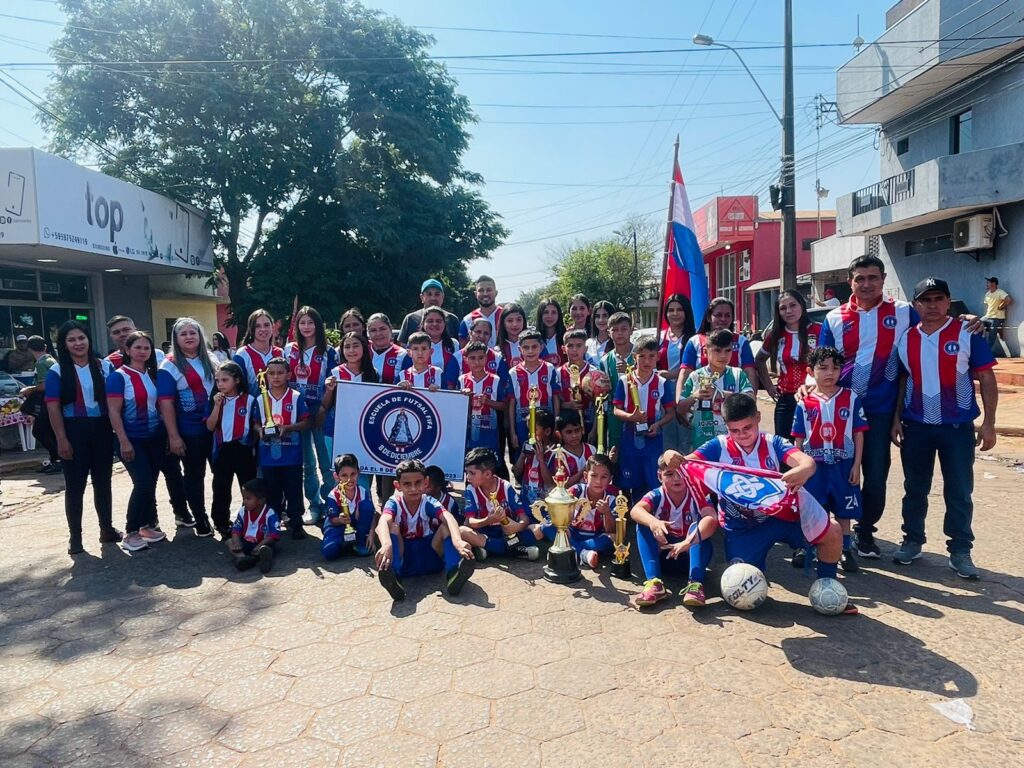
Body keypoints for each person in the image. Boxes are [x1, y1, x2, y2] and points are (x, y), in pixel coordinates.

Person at [683, 393, 852, 613]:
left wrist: (804, 470)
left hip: (780, 517)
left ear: (758, 417)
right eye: (735, 430)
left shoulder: (773, 442)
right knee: (741, 589)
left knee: (833, 531)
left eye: (748, 427)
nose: (742, 435)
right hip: (741, 528)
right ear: (726, 427)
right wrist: (670, 455)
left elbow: (806, 462)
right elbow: (687, 463)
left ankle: (829, 588)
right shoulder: (717, 446)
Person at [891, 278, 998, 580]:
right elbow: (901, 379)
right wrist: (897, 416)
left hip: (957, 428)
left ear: (949, 301)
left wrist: (989, 423)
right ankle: (912, 541)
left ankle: (960, 550)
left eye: (938, 298)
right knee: (915, 489)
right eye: (925, 300)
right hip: (916, 426)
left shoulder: (966, 332)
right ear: (916, 305)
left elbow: (987, 378)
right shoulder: (906, 338)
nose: (932, 305)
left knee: (960, 491)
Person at [818, 255, 918, 560]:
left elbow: (930, 331)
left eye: (872, 278)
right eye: (859, 278)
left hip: (879, 410)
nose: (866, 284)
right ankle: (830, 532)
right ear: (850, 281)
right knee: (835, 472)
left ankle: (865, 531)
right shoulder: (835, 317)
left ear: (883, 279)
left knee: (875, 475)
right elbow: (821, 362)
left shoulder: (903, 313)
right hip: (839, 411)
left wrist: (968, 321)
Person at [44, 320, 119, 554]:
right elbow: (53, 408)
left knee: (103, 482)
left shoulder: (104, 367)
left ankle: (106, 529)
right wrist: (61, 439)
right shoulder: (57, 371)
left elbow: (115, 401)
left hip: (102, 429)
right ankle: (75, 537)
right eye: (71, 340)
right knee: (75, 486)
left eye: (81, 338)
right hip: (74, 430)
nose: (78, 343)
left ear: (88, 339)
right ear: (64, 345)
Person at [791, 346, 867, 572]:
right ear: (810, 371)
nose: (829, 373)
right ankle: (811, 548)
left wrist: (856, 465)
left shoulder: (850, 397)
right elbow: (798, 437)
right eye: (822, 368)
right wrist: (799, 467)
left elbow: (858, 433)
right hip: (815, 466)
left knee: (844, 509)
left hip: (843, 466)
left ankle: (844, 549)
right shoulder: (805, 402)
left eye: (835, 368)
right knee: (815, 508)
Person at [374, 459, 475, 601]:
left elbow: (448, 516)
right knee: (392, 528)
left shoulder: (428, 501)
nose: (413, 489)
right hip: (405, 557)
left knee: (445, 526)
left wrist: (458, 541)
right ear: (398, 485)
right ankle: (394, 578)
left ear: (426, 482)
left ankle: (454, 573)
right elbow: (383, 521)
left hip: (429, 555)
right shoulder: (394, 502)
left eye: (418, 483)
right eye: (407, 484)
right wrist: (386, 544)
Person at [630, 452, 717, 609]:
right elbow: (635, 510)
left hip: (691, 556)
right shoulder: (657, 495)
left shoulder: (698, 494)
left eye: (681, 473)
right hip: (665, 556)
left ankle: (695, 585)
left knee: (697, 527)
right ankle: (654, 583)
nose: (677, 479)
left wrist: (687, 542)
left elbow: (712, 520)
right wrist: (654, 522)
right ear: (659, 476)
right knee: (643, 523)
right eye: (669, 474)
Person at [158, 317, 218, 537]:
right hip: (190, 430)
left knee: (220, 474)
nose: (189, 337)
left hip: (216, 427)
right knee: (195, 475)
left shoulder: (210, 358)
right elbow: (165, 404)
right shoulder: (169, 365)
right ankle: (201, 519)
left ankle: (220, 518)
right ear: (176, 338)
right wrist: (174, 436)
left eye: (193, 332)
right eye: (183, 334)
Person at [107, 331, 167, 552]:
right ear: (127, 350)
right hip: (131, 440)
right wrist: (123, 441)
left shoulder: (152, 374)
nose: (142, 352)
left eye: (146, 348)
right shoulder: (119, 376)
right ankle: (131, 532)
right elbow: (113, 411)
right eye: (138, 347)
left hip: (153, 438)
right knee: (142, 483)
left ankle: (145, 526)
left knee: (150, 482)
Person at [284, 306, 338, 526]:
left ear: (318, 324)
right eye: (302, 322)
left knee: (327, 462)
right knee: (307, 462)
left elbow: (334, 384)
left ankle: (331, 503)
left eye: (310, 322)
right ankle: (314, 505)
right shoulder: (288, 350)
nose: (306, 327)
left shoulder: (329, 351)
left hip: (321, 412)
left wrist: (324, 409)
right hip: (298, 413)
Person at [612, 335, 677, 501]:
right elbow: (616, 410)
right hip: (629, 439)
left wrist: (658, 424)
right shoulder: (624, 380)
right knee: (629, 482)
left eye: (651, 356)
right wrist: (631, 417)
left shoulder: (662, 383)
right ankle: (629, 519)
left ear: (657, 357)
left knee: (652, 481)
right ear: (635, 357)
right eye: (642, 356)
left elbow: (670, 412)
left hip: (653, 440)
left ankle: (651, 513)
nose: (646, 361)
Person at [254, 356, 311, 540]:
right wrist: (260, 431)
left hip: (292, 453)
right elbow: (255, 422)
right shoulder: (260, 398)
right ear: (265, 376)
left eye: (280, 373)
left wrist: (288, 428)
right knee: (272, 490)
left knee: (293, 488)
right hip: (268, 454)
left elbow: (306, 422)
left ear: (288, 374)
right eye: (271, 373)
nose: (276, 377)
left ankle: (296, 523)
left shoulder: (295, 397)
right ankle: (274, 523)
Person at [532, 453, 617, 569]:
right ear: (586, 476)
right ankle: (583, 553)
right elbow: (560, 516)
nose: (598, 481)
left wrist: (606, 512)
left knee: (613, 538)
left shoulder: (612, 499)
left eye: (604, 477)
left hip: (595, 538)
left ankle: (572, 550)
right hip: (572, 534)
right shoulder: (575, 491)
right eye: (594, 476)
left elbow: (611, 530)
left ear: (610, 479)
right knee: (551, 527)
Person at [756, 290, 820, 439]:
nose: (788, 311)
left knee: (813, 446)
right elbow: (759, 360)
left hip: (815, 397)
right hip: (786, 400)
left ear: (802, 306)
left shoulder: (819, 330)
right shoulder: (775, 336)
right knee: (785, 449)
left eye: (793, 305)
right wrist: (769, 387)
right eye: (783, 308)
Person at [206, 361, 257, 540]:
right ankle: (221, 522)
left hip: (243, 448)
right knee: (221, 487)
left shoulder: (249, 399)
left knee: (249, 486)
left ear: (236, 380)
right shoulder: (215, 400)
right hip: (222, 450)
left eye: (225, 380)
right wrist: (217, 406)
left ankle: (251, 519)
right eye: (217, 380)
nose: (220, 384)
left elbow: (254, 424)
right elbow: (210, 426)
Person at [677, 329, 754, 448]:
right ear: (705, 352)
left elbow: (751, 400)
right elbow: (680, 409)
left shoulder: (738, 374)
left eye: (727, 351)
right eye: (717, 350)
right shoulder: (695, 376)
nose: (723, 355)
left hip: (733, 444)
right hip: (702, 443)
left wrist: (720, 394)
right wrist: (694, 397)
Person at [460, 447, 540, 561]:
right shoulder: (471, 490)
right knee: (462, 531)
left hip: (508, 534)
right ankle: (514, 551)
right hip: (485, 533)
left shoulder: (506, 487)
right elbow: (469, 521)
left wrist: (517, 526)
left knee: (537, 529)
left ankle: (489, 550)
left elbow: (524, 518)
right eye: (467, 472)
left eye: (472, 473)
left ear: (487, 474)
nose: (468, 477)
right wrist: (489, 520)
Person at [679, 297, 757, 395]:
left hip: (733, 405)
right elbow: (685, 373)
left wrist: (750, 402)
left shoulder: (741, 341)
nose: (723, 319)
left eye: (727, 315)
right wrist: (680, 402)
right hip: (702, 403)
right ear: (708, 317)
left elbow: (750, 372)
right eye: (718, 315)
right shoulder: (695, 341)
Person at [507, 329, 560, 461]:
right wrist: (513, 432)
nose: (530, 351)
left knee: (547, 456)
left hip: (545, 423)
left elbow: (555, 397)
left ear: (541, 347)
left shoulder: (549, 368)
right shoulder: (513, 372)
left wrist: (556, 423)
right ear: (520, 349)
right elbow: (512, 403)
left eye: (534, 347)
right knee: (525, 456)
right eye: (526, 347)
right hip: (522, 423)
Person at [322, 454, 376, 560]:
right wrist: (340, 520)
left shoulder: (363, 492)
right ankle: (345, 543)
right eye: (344, 475)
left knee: (366, 506)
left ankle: (360, 541)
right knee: (329, 552)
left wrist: (371, 534)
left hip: (356, 525)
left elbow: (372, 514)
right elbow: (333, 520)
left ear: (358, 473)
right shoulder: (333, 495)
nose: (349, 479)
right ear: (336, 476)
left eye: (353, 474)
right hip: (338, 527)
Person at [20, 336, 60, 474]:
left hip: (47, 401)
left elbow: (45, 385)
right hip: (55, 401)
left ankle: (58, 459)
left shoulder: (41, 363)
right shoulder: (52, 360)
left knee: (39, 431)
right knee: (51, 431)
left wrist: (29, 390)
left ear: (30, 349)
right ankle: (56, 460)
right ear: (45, 347)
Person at [460, 341, 507, 455]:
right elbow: (455, 408)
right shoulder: (461, 380)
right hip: (467, 435)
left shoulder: (495, 380)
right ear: (466, 360)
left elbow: (504, 406)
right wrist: (463, 399)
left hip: (490, 435)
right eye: (472, 358)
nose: (477, 362)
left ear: (486, 358)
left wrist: (488, 402)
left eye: (481, 358)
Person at [600, 311, 635, 460]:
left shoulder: (640, 354)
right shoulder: (605, 360)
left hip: (638, 410)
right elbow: (603, 389)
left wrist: (631, 370)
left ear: (631, 330)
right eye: (615, 329)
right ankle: (616, 480)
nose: (619, 333)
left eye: (623, 329)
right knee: (615, 448)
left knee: (636, 445)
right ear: (608, 332)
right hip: (615, 411)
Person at [228, 479, 279, 573]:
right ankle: (244, 558)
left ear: (261, 500)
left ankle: (263, 558)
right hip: (247, 543)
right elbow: (236, 527)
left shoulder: (270, 514)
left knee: (266, 548)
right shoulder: (243, 511)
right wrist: (236, 541)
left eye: (248, 499)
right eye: (244, 498)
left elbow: (273, 534)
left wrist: (259, 546)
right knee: (229, 542)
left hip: (262, 543)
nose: (245, 501)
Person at [233, 309, 283, 395]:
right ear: (251, 330)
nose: (263, 329)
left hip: (278, 407)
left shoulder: (280, 353)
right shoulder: (242, 355)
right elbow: (238, 389)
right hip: (252, 407)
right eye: (257, 326)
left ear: (272, 327)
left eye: (267, 325)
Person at [513, 408, 557, 506]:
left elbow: (550, 484)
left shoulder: (555, 453)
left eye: (534, 430)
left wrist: (541, 459)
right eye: (529, 430)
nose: (530, 434)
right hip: (525, 505)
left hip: (545, 507)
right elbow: (517, 474)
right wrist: (522, 455)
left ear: (547, 431)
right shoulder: (528, 448)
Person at [557, 329, 596, 437]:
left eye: (579, 345)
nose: (574, 350)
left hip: (589, 423)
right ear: (563, 349)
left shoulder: (594, 373)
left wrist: (595, 430)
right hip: (566, 427)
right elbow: (554, 400)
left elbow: (599, 405)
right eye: (570, 346)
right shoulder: (557, 373)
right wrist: (565, 405)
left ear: (585, 348)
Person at [397, 278, 460, 343]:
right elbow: (402, 345)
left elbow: (460, 347)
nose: (433, 298)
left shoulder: (452, 319)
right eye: (429, 294)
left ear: (443, 297)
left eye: (437, 294)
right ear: (422, 297)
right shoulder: (410, 319)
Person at [419, 306, 462, 389]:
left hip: (446, 393)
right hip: (421, 392)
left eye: (438, 321)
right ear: (423, 323)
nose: (434, 324)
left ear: (444, 324)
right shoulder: (415, 344)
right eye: (430, 321)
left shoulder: (454, 344)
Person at [458, 275, 501, 348]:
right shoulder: (467, 320)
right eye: (481, 290)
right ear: (475, 294)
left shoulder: (506, 316)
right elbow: (463, 352)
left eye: (489, 290)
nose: (485, 294)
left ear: (496, 293)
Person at [366, 313, 408, 384]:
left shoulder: (403, 355)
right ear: (368, 333)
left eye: (382, 329)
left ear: (390, 329)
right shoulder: (362, 351)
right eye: (373, 330)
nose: (378, 334)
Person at [555, 415, 595, 487]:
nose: (574, 435)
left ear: (582, 430)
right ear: (559, 434)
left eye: (577, 430)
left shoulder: (592, 449)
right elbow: (564, 485)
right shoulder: (559, 455)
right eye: (569, 432)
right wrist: (585, 468)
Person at [981, 276, 1012, 357]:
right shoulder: (987, 294)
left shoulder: (1000, 292)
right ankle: (979, 348)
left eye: (989, 282)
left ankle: (986, 354)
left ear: (994, 284)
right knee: (976, 324)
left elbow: (1008, 299)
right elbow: (987, 305)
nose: (987, 284)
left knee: (992, 336)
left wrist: (1001, 306)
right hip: (987, 316)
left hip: (997, 317)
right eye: (987, 283)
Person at [536, 297, 567, 366]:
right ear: (540, 315)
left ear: (559, 315)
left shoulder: (566, 337)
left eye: (554, 312)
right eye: (546, 312)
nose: (550, 316)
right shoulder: (534, 339)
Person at [497, 302, 528, 368]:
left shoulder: (535, 346)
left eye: (519, 320)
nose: (515, 324)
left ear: (524, 321)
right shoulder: (497, 350)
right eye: (510, 320)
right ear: (503, 323)